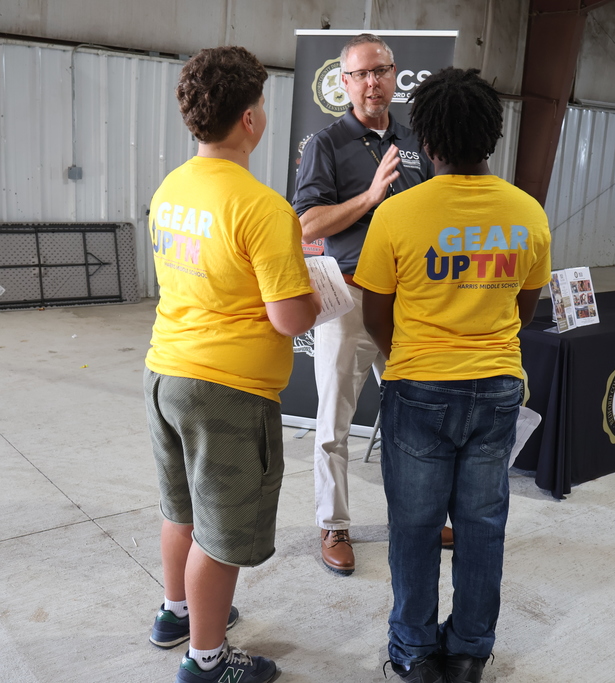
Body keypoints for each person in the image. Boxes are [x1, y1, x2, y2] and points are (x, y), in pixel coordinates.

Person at [354, 67, 552, 683]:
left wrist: (411, 359)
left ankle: (414, 654)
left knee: (414, 528)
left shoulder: (397, 214)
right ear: (492, 135)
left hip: (418, 388)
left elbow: (375, 313)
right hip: (498, 389)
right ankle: (468, 653)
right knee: (482, 526)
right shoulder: (527, 213)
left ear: (427, 138)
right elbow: (523, 308)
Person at [143, 46, 321, 683]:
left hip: (166, 371)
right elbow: (290, 318)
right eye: (262, 105)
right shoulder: (262, 207)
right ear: (249, 119)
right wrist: (313, 288)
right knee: (220, 536)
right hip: (227, 391)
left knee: (180, 509)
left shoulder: (172, 187)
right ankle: (207, 660)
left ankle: (176, 613)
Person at [291, 33, 437, 576]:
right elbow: (307, 224)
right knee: (334, 422)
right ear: (344, 82)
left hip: (407, 301)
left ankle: (419, 518)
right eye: (360, 74)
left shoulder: (415, 141)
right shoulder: (326, 144)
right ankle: (333, 524)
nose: (372, 82)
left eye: (380, 71)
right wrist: (370, 197)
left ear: (395, 74)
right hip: (350, 295)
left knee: (416, 417)